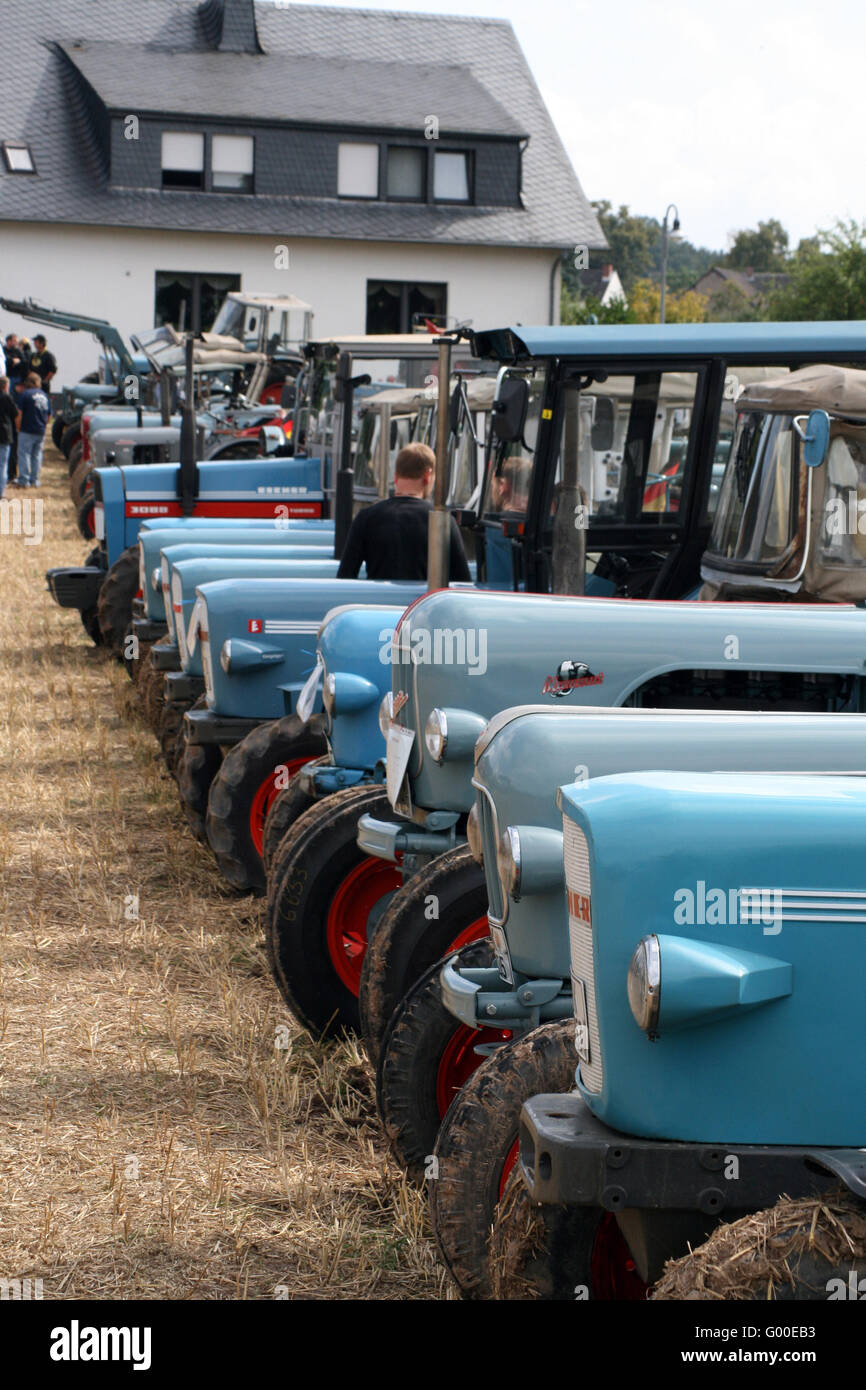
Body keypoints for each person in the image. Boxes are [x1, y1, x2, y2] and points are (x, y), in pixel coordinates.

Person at [337, 442, 471, 582]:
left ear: (395, 477)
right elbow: (463, 582)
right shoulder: (443, 521)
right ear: (427, 475)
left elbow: (345, 576)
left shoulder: (366, 518)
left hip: (379, 603)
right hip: (425, 603)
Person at [14, 371, 50, 487]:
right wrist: (44, 425)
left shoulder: (25, 395)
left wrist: (18, 427)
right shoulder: (45, 395)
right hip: (40, 430)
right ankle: (34, 480)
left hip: (27, 430)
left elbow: (19, 413)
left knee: (24, 455)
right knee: (36, 455)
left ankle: (24, 480)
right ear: (36, 382)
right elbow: (49, 415)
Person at [0, 376, 18, 497]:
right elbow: (15, 413)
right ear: (6, 386)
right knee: (2, 465)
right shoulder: (7, 398)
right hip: (4, 433)